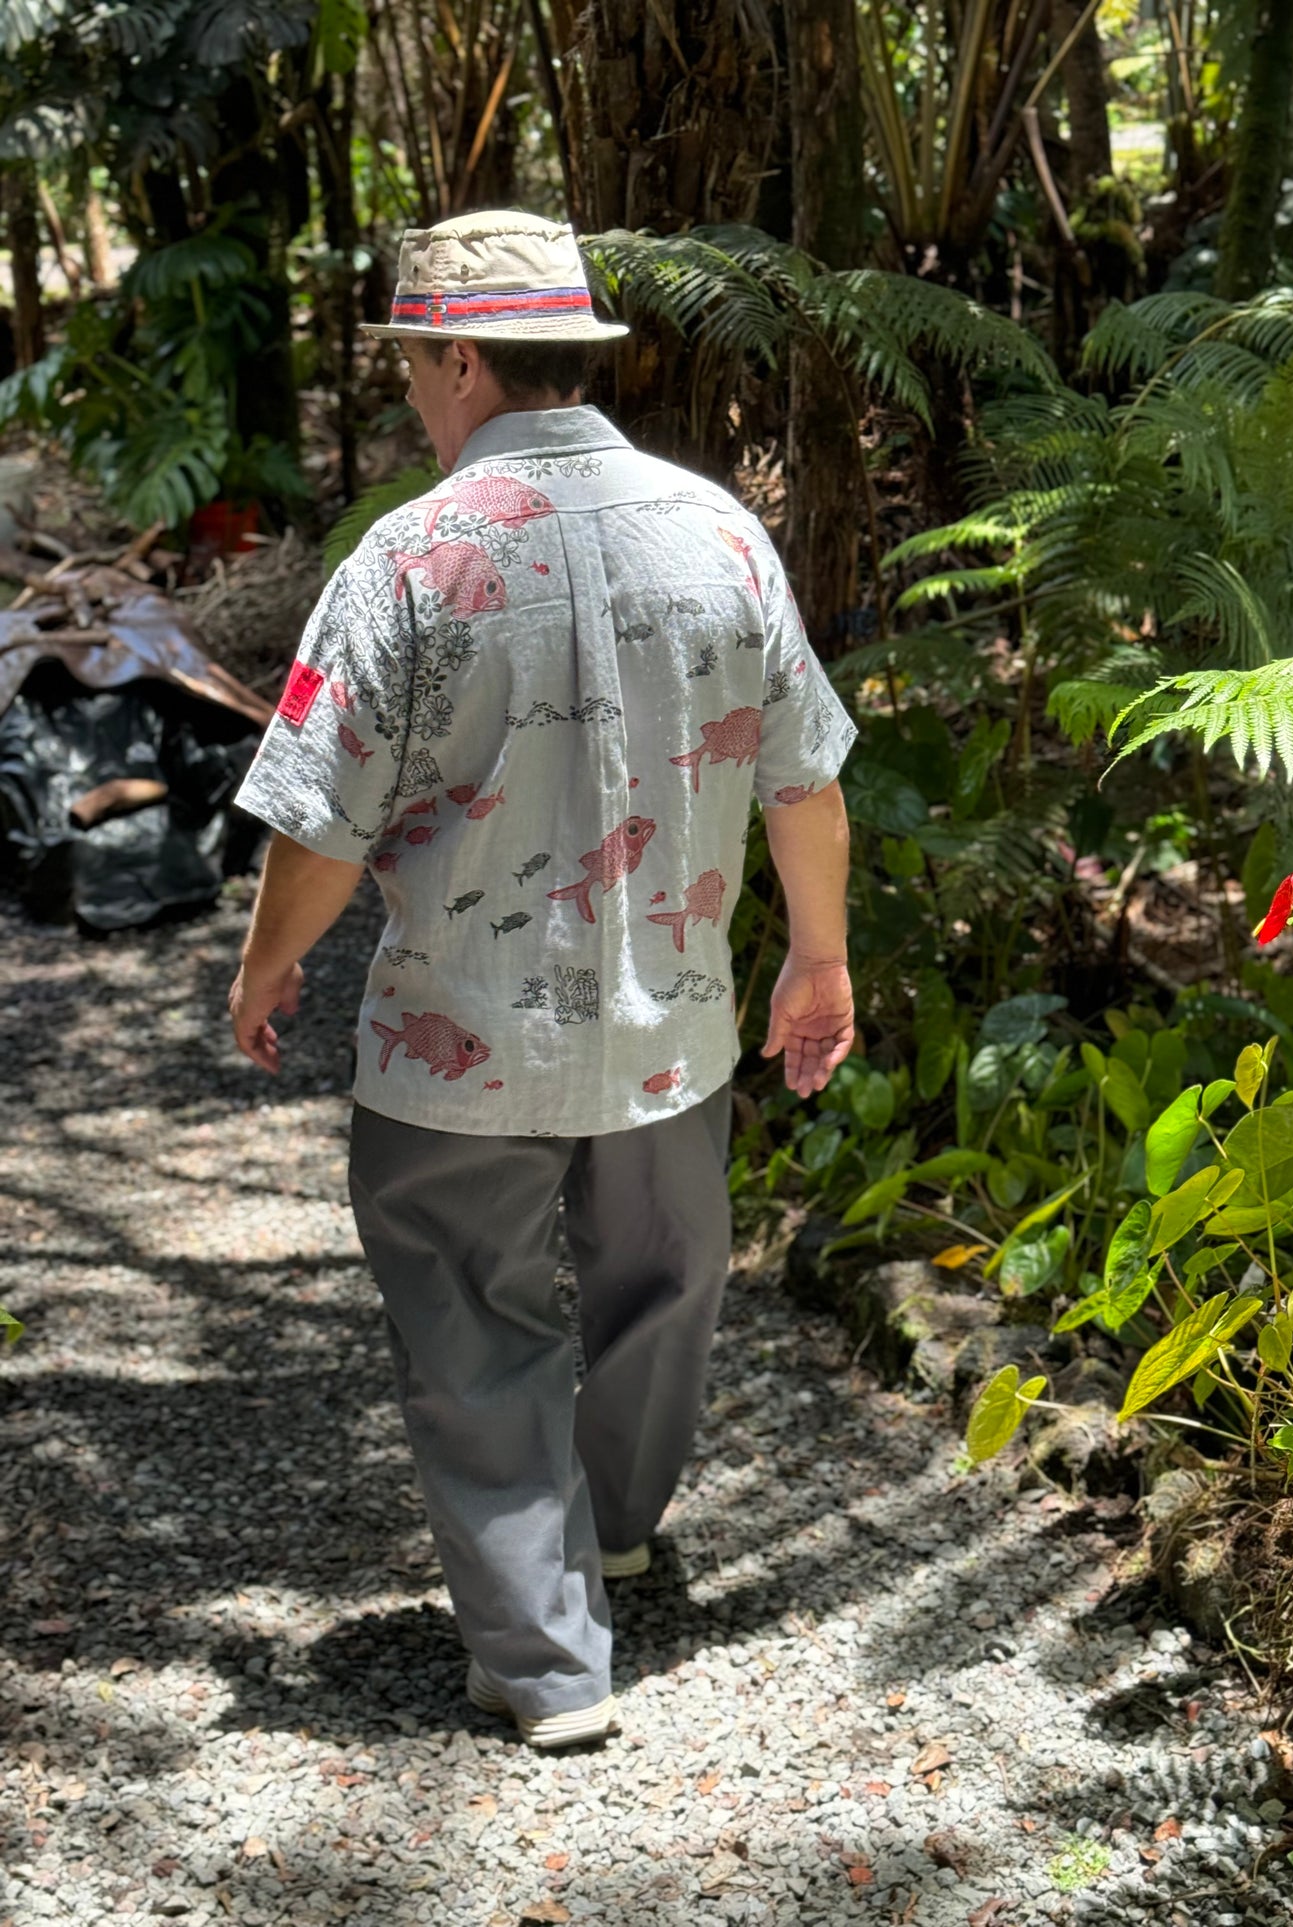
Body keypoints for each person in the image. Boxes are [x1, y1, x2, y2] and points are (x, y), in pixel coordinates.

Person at [228, 210, 857, 1749]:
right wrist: (820, 959)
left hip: (460, 1045)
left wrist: (266, 967)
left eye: (412, 369)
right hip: (669, 1032)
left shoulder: (410, 556)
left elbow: (322, 812)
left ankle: (545, 1661)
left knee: (468, 1318)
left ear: (458, 356)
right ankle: (621, 1525)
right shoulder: (718, 530)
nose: (411, 400)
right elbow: (801, 780)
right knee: (663, 1281)